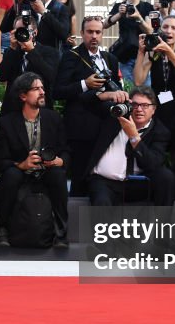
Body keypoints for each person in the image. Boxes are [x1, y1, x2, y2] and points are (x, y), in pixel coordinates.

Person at [0, 73, 70, 247]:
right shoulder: (7, 123)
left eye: (42, 88)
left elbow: (66, 150)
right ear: (23, 96)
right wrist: (21, 164)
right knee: (11, 175)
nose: (42, 92)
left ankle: (61, 234)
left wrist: (60, 161)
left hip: (47, 171)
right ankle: (2, 229)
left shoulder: (53, 118)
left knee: (58, 175)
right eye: (36, 89)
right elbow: (0, 160)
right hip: (20, 172)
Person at [54, 16, 126, 196]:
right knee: (80, 177)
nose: (94, 36)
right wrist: (85, 84)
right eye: (90, 32)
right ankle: (78, 221)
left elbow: (116, 85)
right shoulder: (71, 56)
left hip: (106, 126)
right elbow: (58, 91)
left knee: (99, 178)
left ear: (103, 33)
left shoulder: (110, 58)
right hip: (81, 126)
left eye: (98, 32)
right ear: (82, 33)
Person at [85, 86, 175, 207]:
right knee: (101, 202)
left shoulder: (160, 131)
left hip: (137, 184)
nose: (139, 109)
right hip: (104, 182)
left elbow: (153, 164)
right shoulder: (114, 115)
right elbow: (86, 101)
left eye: (145, 105)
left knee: (166, 177)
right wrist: (109, 95)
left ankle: (163, 223)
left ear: (153, 109)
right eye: (135, 104)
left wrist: (134, 136)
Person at [132, 14, 175, 148]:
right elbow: (138, 81)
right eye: (165, 27)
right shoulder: (154, 51)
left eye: (173, 28)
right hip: (160, 105)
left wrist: (168, 52)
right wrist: (141, 52)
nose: (169, 31)